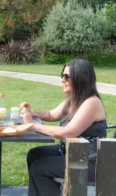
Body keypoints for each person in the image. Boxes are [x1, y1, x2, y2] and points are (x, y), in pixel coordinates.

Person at [20, 59, 107, 196]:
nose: (62, 79)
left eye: (66, 76)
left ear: (80, 79)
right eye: (62, 75)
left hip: (87, 163)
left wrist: (33, 125)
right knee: (34, 155)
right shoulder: (73, 99)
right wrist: (32, 113)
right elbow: (52, 114)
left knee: (39, 168)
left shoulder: (91, 102)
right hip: (73, 153)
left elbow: (68, 133)